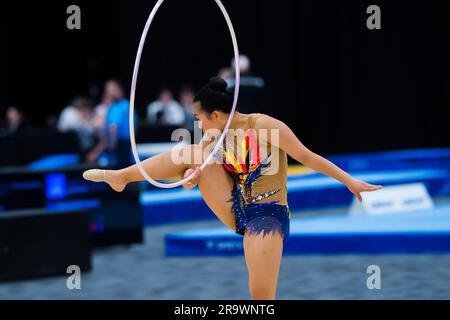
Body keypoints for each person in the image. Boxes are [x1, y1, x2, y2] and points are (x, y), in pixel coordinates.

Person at [83, 77, 383, 300]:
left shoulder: (264, 126)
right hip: (234, 204)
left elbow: (307, 157)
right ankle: (122, 176)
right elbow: (195, 171)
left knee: (261, 297)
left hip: (269, 214)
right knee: (191, 154)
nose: (198, 124)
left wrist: (349, 181)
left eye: (199, 118)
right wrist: (191, 179)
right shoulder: (212, 138)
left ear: (216, 115)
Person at [87, 79, 136, 167]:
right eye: (107, 91)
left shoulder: (118, 106)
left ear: (119, 90)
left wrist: (111, 145)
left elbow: (113, 127)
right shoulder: (124, 104)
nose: (109, 93)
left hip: (118, 144)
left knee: (120, 171)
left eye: (111, 90)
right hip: (124, 143)